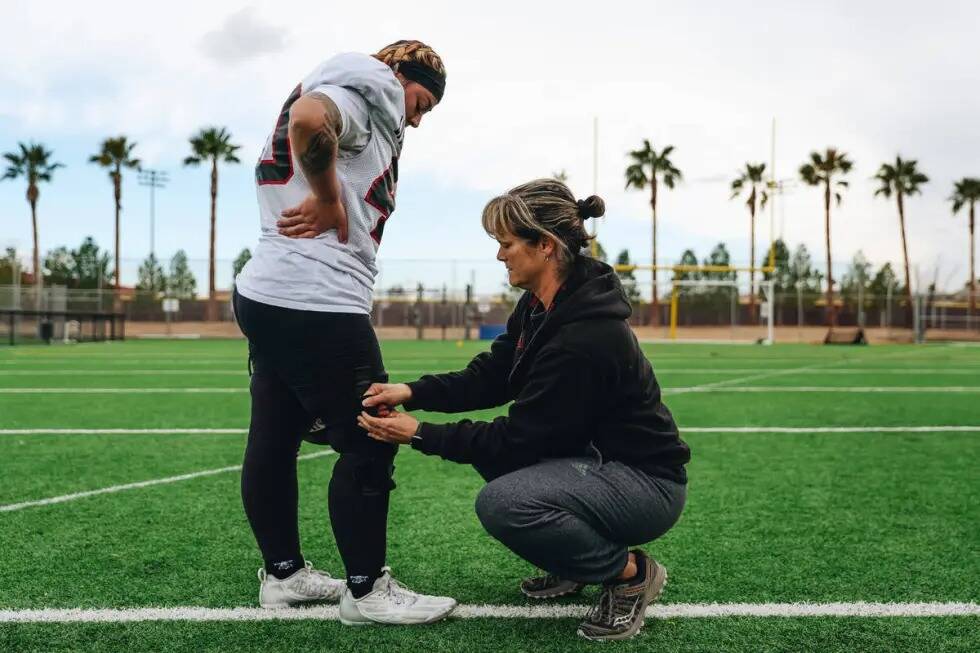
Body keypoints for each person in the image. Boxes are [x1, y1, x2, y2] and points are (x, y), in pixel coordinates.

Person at [358, 178, 691, 641]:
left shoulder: (586, 337)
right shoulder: (539, 305)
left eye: (507, 244)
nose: (500, 255)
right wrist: (411, 391)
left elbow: (519, 438)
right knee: (497, 462)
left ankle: (630, 573)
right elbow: (492, 376)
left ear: (546, 246)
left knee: (504, 502)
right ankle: (572, 560)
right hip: (592, 462)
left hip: (644, 483)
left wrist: (419, 434)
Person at [233, 40, 456, 626]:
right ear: (400, 75)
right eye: (421, 101)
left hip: (269, 289)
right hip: (316, 299)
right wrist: (331, 199)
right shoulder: (373, 87)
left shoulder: (357, 90)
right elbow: (312, 120)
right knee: (371, 433)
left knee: (275, 436)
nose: (416, 118)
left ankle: (282, 576)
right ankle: (366, 590)